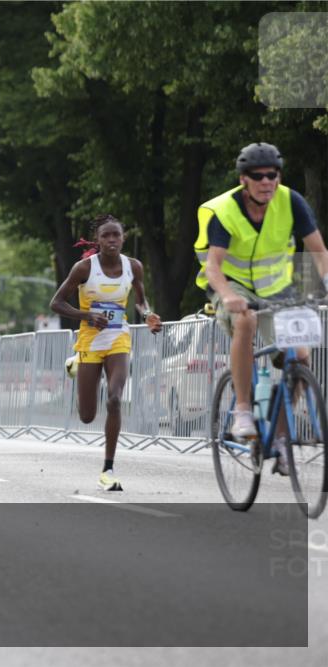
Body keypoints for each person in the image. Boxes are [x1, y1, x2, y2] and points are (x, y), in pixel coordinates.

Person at [194, 142, 328, 472]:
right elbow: (213, 265)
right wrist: (227, 296)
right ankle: (242, 410)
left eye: (273, 174)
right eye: (258, 176)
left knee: (298, 356)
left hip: (275, 287)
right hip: (232, 283)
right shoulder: (226, 212)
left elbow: (319, 252)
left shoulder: (291, 201)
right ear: (244, 180)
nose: (267, 181)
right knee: (245, 321)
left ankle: (281, 439)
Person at [51, 215, 162, 491]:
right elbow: (56, 303)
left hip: (118, 338)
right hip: (90, 340)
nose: (112, 240)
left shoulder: (133, 266)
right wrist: (86, 315)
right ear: (98, 240)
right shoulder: (84, 268)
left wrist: (148, 315)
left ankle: (108, 468)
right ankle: (76, 363)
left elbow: (141, 300)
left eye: (116, 235)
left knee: (114, 399)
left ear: (123, 238)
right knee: (87, 415)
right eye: (106, 236)